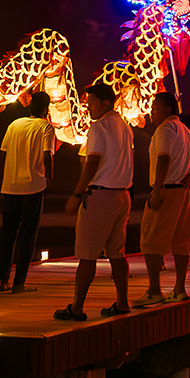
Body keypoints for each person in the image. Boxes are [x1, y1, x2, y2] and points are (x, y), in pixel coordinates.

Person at [54, 82, 133, 322]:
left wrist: (77, 194)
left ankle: (77, 308)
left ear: (105, 102)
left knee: (87, 255)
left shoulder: (99, 127)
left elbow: (93, 162)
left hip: (100, 196)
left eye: (91, 103)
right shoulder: (124, 126)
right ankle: (122, 302)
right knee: (117, 253)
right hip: (122, 195)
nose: (87, 108)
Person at [135, 90, 190, 307]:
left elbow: (162, 160)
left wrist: (156, 191)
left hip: (167, 189)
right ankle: (179, 289)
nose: (151, 112)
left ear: (167, 109)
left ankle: (154, 290)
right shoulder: (184, 130)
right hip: (185, 192)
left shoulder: (165, 129)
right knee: (182, 241)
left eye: (154, 107)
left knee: (151, 239)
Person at [0, 91, 57, 293]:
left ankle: (3, 280)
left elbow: (5, 150)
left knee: (8, 235)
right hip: (33, 186)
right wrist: (49, 176)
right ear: (45, 109)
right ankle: (19, 283)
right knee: (27, 236)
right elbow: (47, 154)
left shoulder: (14, 124)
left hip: (9, 186)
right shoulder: (45, 127)